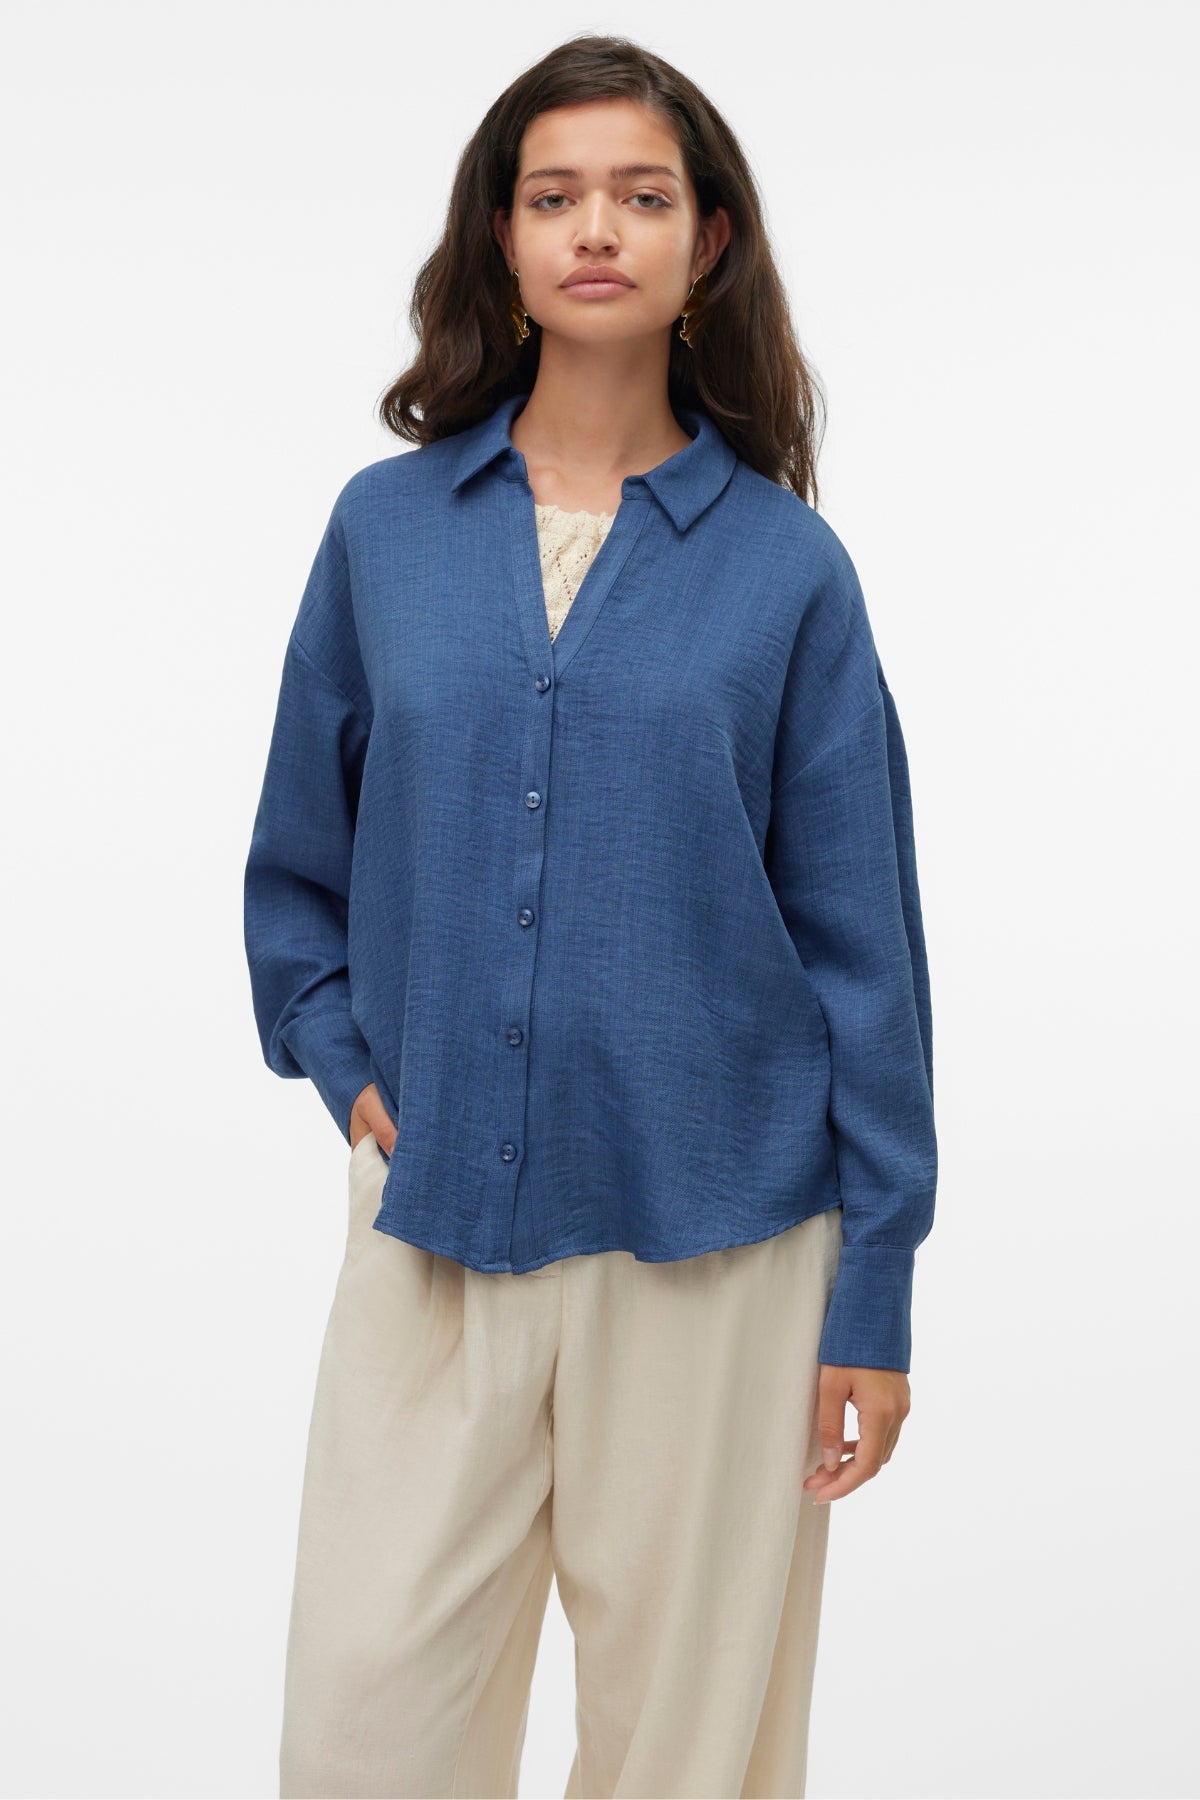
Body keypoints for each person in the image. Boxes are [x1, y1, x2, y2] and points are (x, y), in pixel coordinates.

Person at [243, 32, 937, 1800]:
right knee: (365, 1736)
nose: (597, 229)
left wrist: (872, 1293)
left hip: (721, 1242)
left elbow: (866, 953)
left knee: (688, 1762)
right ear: (502, 237)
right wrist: (343, 1063)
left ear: (711, 241)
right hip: (435, 1213)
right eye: (554, 196)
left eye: (642, 194)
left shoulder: (786, 570)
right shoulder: (387, 533)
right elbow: (296, 865)